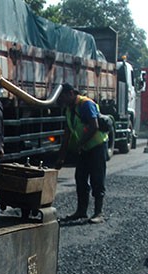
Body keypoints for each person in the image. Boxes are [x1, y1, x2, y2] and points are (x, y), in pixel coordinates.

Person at [54, 83, 110, 224]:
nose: (62, 100)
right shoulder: (69, 109)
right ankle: (81, 211)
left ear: (71, 93)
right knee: (80, 179)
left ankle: (99, 213)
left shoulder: (86, 104)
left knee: (97, 179)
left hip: (97, 146)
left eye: (64, 96)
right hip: (85, 148)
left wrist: (80, 143)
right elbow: (67, 134)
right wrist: (61, 158)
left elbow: (94, 126)